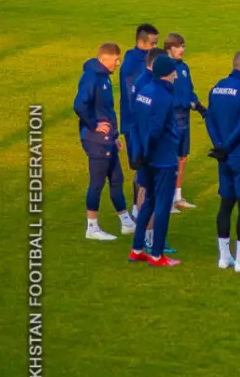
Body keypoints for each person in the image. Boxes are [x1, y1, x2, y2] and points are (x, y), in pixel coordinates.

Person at [204, 51, 240, 273]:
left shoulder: (216, 88)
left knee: (226, 204)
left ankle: (223, 257)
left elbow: (209, 118)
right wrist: (228, 145)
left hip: (223, 156)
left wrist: (219, 145)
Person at [74, 42, 135, 240]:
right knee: (97, 183)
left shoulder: (104, 78)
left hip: (108, 139)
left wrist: (115, 136)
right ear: (104, 59)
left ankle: (126, 221)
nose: (118, 63)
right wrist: (94, 125)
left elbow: (107, 110)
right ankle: (92, 227)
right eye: (116, 59)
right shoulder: (91, 78)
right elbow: (79, 105)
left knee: (117, 179)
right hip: (96, 140)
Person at [128, 54, 182, 267]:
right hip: (162, 159)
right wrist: (149, 150)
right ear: (167, 73)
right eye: (174, 71)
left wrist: (138, 152)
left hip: (145, 158)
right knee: (162, 205)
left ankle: (137, 249)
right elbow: (156, 129)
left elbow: (137, 124)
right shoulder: (163, 97)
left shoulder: (144, 91)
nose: (176, 75)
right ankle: (158, 254)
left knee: (148, 202)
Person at [119, 23, 159, 216]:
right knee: (140, 166)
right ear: (141, 42)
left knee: (146, 166)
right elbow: (132, 99)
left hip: (142, 124)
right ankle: (137, 208)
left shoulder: (143, 60)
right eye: (153, 43)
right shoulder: (132, 66)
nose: (155, 47)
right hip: (135, 125)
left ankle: (140, 206)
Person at [165, 33, 206, 211]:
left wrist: (198, 105)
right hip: (172, 119)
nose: (182, 50)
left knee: (182, 157)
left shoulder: (184, 68)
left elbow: (190, 90)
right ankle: (167, 199)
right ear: (169, 49)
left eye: (183, 46)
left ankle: (178, 197)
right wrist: (187, 103)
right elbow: (166, 97)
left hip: (185, 118)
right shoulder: (165, 70)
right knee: (170, 159)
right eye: (178, 46)